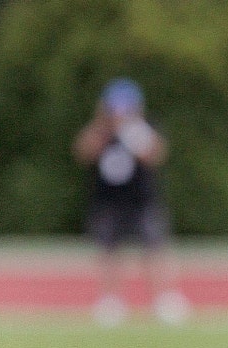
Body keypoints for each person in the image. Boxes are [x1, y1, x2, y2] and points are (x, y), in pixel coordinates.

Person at [73, 77, 189, 326]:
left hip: (142, 200)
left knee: (155, 250)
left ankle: (163, 299)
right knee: (109, 252)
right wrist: (102, 128)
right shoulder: (100, 130)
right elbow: (83, 152)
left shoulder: (143, 128)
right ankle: (110, 301)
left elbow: (156, 155)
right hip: (107, 201)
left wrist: (132, 131)